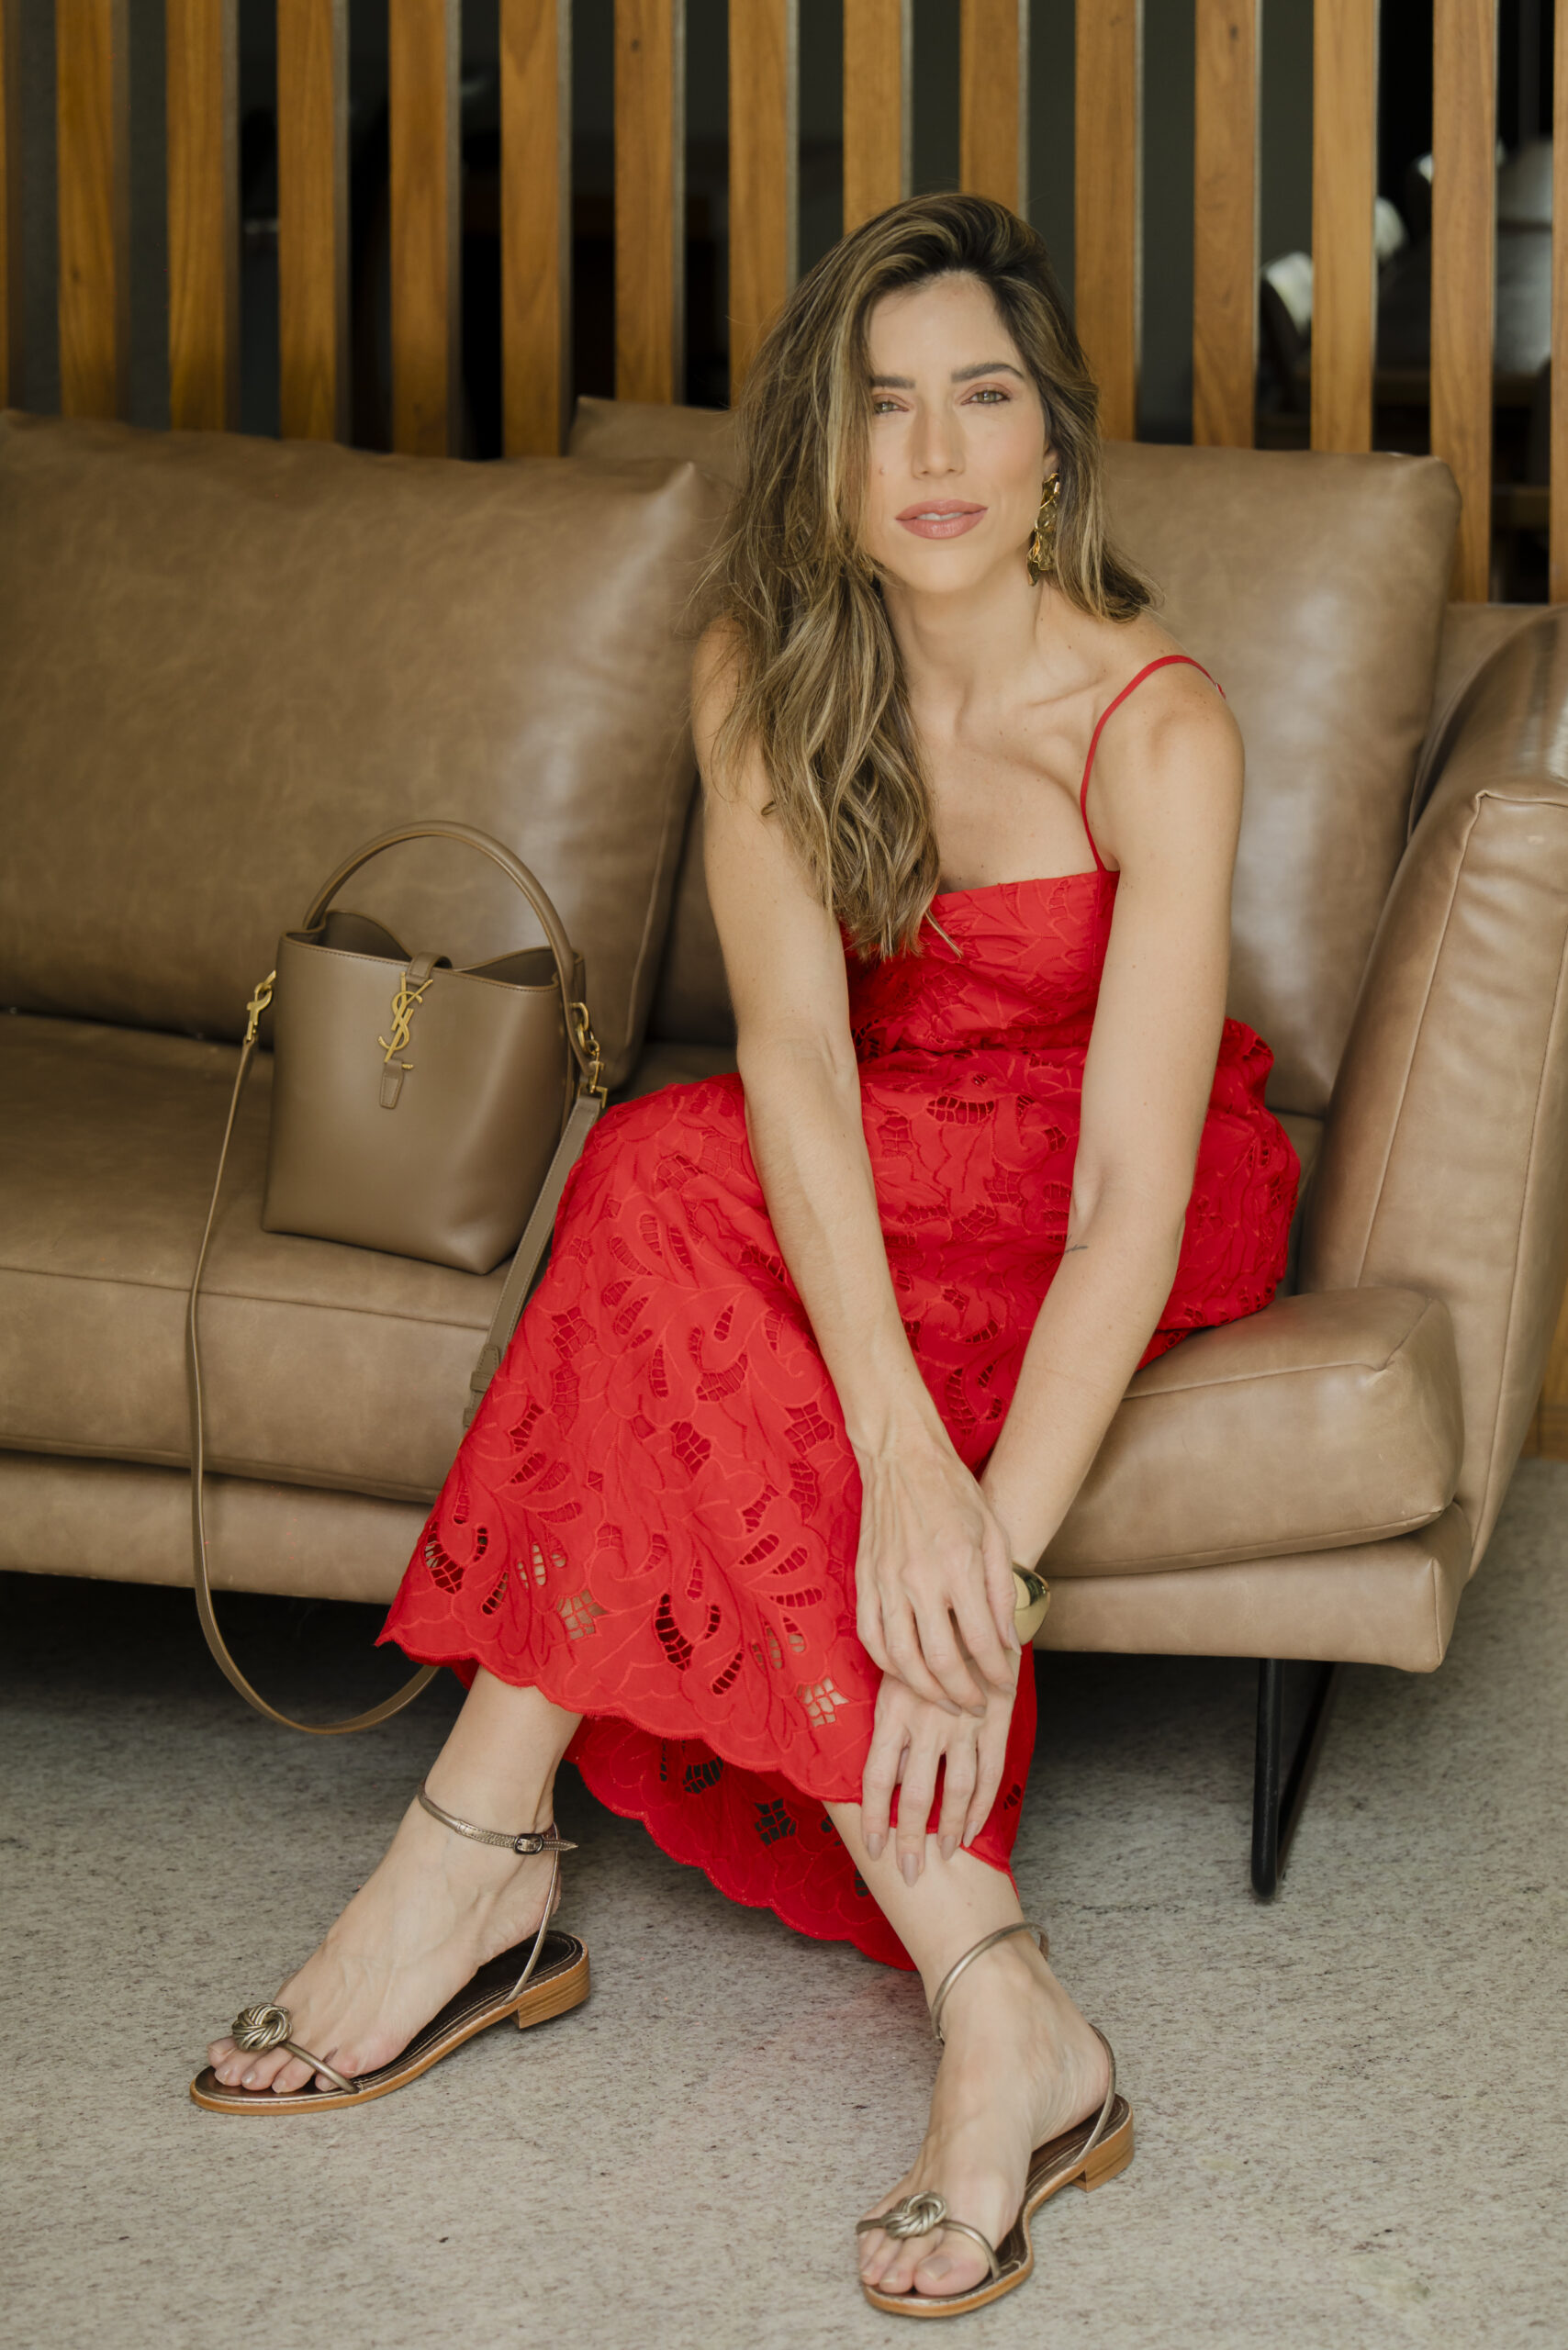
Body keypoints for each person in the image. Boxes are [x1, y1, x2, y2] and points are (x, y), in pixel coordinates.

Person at [193, 193, 1297, 2318]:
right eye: (882, 406)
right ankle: (994, 1992)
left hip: (1099, 1179)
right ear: (823, 448)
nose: (936, 451)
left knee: (651, 1180)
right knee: (667, 1171)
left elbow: (1127, 1198)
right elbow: (792, 1051)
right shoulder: (762, 671)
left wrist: (992, 1562)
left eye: (981, 396)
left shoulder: (1157, 724)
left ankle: (472, 1857)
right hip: (874, 1148)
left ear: (1050, 440)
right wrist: (886, 1441)